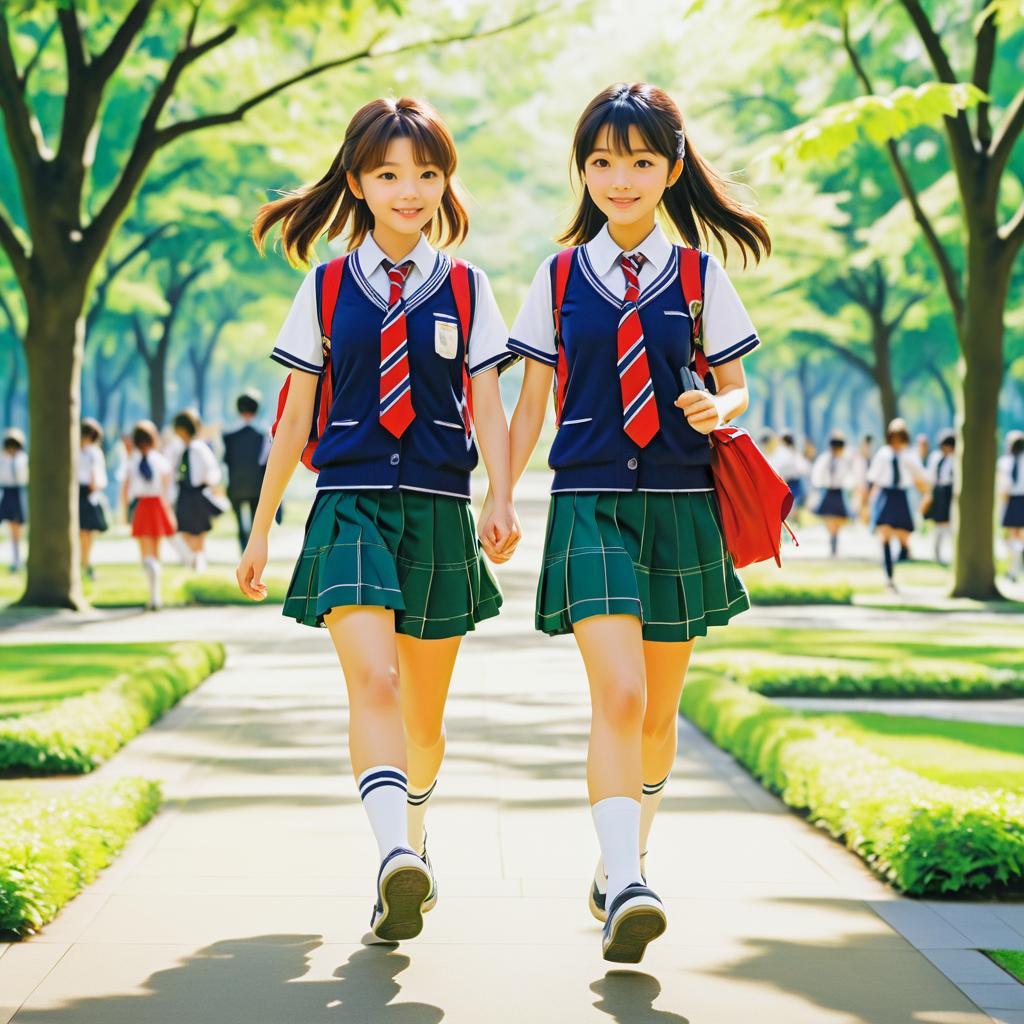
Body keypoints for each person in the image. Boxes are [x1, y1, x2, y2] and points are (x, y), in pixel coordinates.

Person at [237, 96, 518, 944]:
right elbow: (294, 418)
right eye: (391, 175)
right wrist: (260, 529)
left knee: (424, 722)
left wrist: (502, 495)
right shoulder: (323, 286)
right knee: (377, 684)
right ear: (357, 182)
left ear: (444, 182)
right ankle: (395, 854)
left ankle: (413, 840)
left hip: (438, 509)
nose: (411, 191)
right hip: (349, 505)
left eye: (427, 174)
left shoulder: (467, 287)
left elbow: (491, 407)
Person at [504, 82, 769, 963]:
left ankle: (624, 860)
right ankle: (628, 884)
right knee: (617, 696)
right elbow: (530, 399)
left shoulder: (699, 276)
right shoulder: (555, 276)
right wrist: (500, 492)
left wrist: (718, 409)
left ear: (673, 168)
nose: (621, 178)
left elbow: (737, 389)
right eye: (603, 161)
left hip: (682, 505)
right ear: (582, 168)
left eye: (641, 161)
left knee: (658, 715)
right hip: (588, 505)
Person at [865, 418, 929, 592]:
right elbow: (874, 479)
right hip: (886, 495)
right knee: (884, 535)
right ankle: (889, 575)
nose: (896, 439)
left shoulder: (909, 455)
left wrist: (926, 494)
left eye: (899, 436)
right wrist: (868, 503)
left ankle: (903, 552)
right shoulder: (883, 454)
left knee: (903, 535)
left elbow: (920, 476)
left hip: (901, 496)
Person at [121, 420, 176, 610]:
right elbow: (167, 487)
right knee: (156, 551)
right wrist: (168, 510)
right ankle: (156, 595)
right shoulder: (159, 460)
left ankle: (152, 595)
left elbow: (125, 488)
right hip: (157, 504)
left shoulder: (131, 462)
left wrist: (124, 513)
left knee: (145, 552)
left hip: (143, 506)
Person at [223, 391, 279, 552]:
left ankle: (242, 549)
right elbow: (265, 461)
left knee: (240, 522)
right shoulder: (263, 434)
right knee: (256, 522)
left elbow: (226, 460)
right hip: (257, 485)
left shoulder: (228, 435)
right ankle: (252, 551)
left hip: (236, 484)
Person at [172, 409, 224, 573]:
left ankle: (199, 562)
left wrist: (212, 488)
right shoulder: (181, 450)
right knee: (186, 530)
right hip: (185, 494)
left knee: (198, 530)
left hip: (197, 493)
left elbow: (212, 472)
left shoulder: (199, 448)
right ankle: (194, 560)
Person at [810, 430, 854, 557]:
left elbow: (850, 475)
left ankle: (835, 537)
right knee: (828, 518)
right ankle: (832, 539)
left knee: (840, 518)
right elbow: (817, 474)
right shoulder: (825, 459)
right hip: (828, 490)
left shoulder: (845, 460)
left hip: (839, 491)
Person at [78, 418, 109, 580]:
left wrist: (95, 485)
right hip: (77, 491)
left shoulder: (94, 453)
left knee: (88, 532)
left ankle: (86, 562)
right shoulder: (75, 451)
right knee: (79, 532)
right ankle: (81, 562)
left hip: (90, 493)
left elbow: (98, 475)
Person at [922, 429, 955, 565]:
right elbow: (930, 476)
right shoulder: (936, 457)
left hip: (949, 491)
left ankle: (951, 554)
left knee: (948, 523)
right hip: (937, 491)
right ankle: (936, 553)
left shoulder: (955, 459)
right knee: (938, 523)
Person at [997, 430, 1024, 582]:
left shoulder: (1005, 462)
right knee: (1017, 538)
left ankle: (1013, 571)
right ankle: (1014, 569)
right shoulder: (1005, 462)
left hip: (1013, 500)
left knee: (1013, 537)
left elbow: (1003, 488)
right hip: (1015, 499)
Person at [0, 428, 27, 572]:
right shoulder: (3, 458)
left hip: (18, 492)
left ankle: (18, 560)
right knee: (11, 528)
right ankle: (14, 559)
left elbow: (23, 477)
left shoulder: (22, 459)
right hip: (7, 492)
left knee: (18, 529)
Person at [770, 430, 810, 522]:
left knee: (790, 504)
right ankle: (792, 521)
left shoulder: (783, 452)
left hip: (788, 481)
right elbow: (804, 467)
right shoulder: (793, 452)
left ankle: (791, 521)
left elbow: (777, 465)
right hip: (793, 480)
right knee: (792, 503)